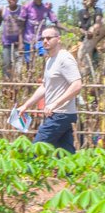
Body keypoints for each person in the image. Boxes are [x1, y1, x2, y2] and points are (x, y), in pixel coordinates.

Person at [17, 26, 83, 154]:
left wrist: (54, 103)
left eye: (49, 38)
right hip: (56, 114)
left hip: (61, 114)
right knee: (65, 154)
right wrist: (25, 106)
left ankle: (29, 173)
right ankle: (72, 173)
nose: (45, 41)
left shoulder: (65, 59)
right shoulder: (50, 61)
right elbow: (44, 87)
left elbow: (77, 85)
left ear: (58, 39)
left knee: (36, 149)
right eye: (43, 38)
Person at [20, 0, 59, 67]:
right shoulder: (26, 7)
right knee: (29, 62)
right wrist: (21, 42)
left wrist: (71, 30)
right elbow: (21, 26)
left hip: (41, 40)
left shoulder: (46, 8)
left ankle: (43, 76)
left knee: (44, 58)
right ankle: (30, 78)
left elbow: (55, 21)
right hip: (28, 40)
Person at [0, 0, 24, 79]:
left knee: (18, 67)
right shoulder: (2, 10)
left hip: (18, 44)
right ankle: (6, 88)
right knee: (6, 65)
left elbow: (22, 27)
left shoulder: (22, 10)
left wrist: (21, 43)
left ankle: (16, 86)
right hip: (6, 43)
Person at [76, 0, 103, 79]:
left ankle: (94, 82)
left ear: (95, 0)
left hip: (94, 42)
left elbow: (98, 22)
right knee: (82, 63)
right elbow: (80, 28)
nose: (85, 1)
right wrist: (86, 33)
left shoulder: (97, 11)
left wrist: (94, 29)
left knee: (95, 63)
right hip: (84, 41)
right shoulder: (81, 13)